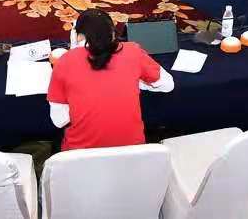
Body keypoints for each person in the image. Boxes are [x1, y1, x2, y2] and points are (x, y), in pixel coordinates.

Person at [47, 9, 173, 150]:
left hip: (80, 156)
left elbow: (59, 121)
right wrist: (138, 81)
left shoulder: (65, 61)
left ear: (77, 35)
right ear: (113, 33)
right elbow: (168, 85)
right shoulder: (133, 51)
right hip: (133, 154)